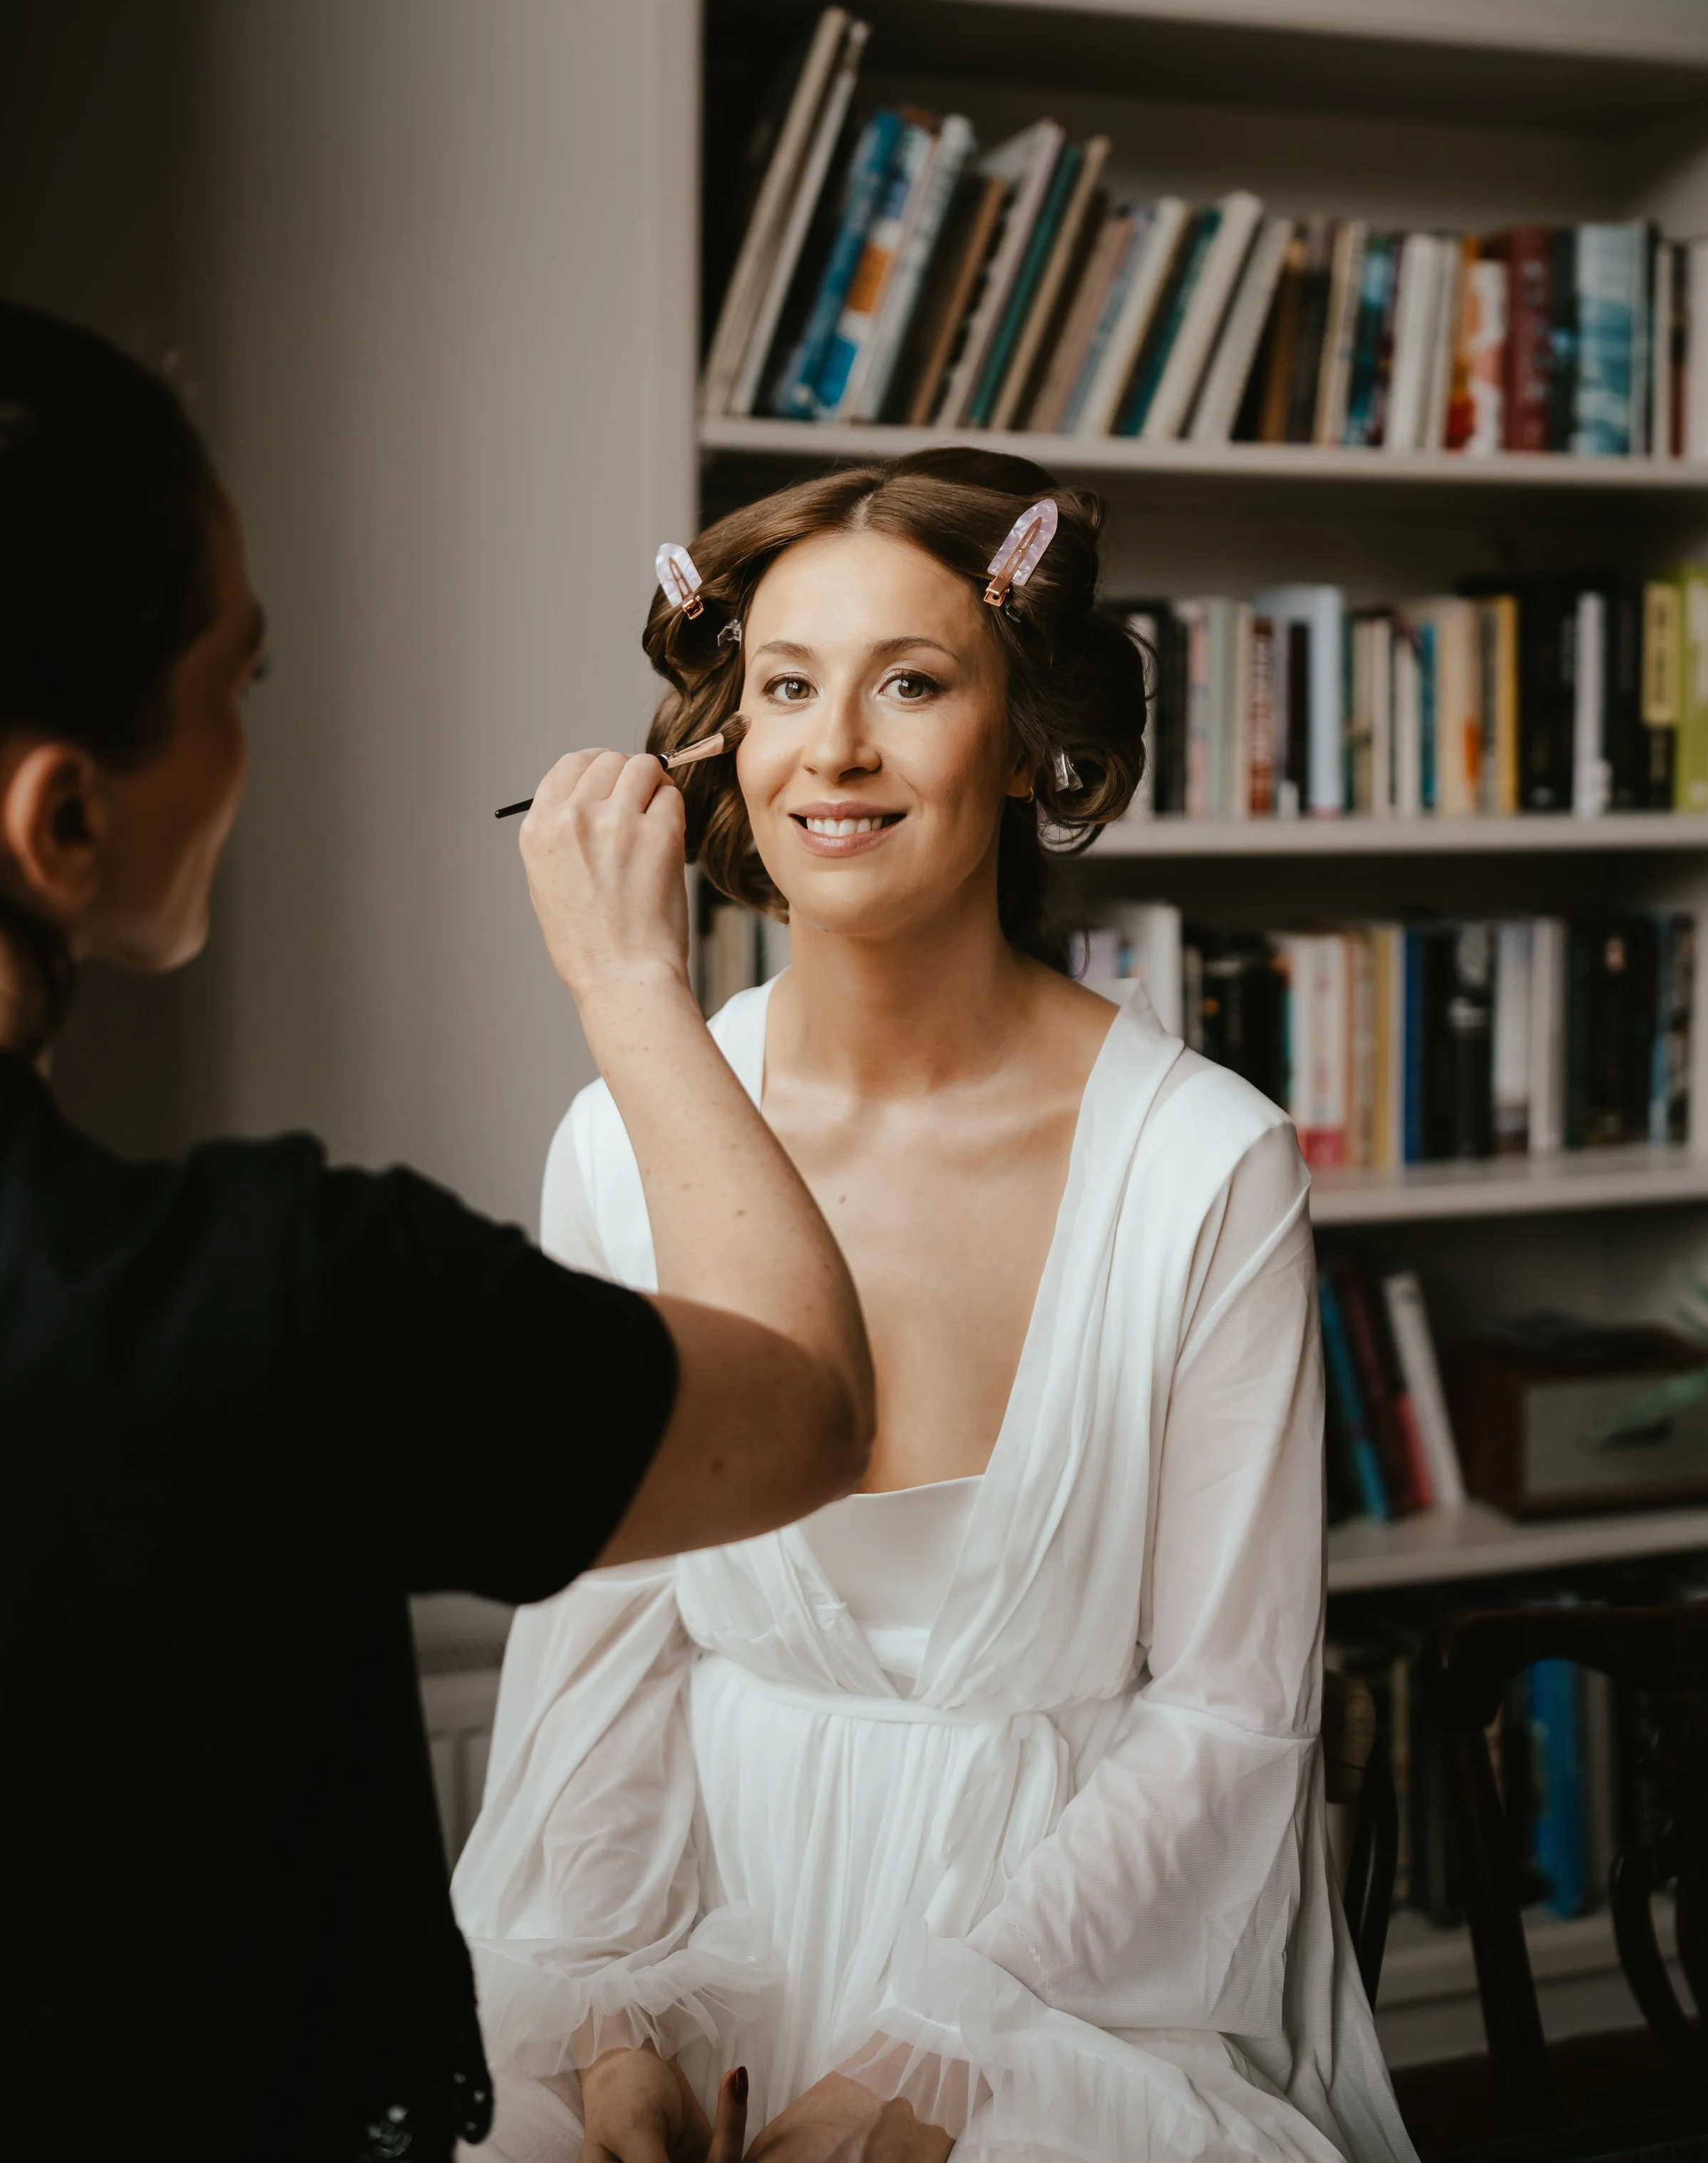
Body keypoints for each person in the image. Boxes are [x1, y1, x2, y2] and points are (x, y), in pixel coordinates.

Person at [453, 448, 1418, 2163]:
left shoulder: (1207, 1168)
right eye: (783, 689)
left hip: (1056, 1986)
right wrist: (609, 2033)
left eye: (909, 682)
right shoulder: (623, 1135)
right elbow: (600, 1643)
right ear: (722, 750)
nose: (835, 749)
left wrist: (929, 2066)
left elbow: (1229, 1706)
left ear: (1030, 738)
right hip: (703, 1938)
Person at [0, 302, 875, 2163]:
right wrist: (635, 982)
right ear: (62, 821)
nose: (831, 753)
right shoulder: (274, 1297)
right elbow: (801, 1395)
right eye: (242, 677)